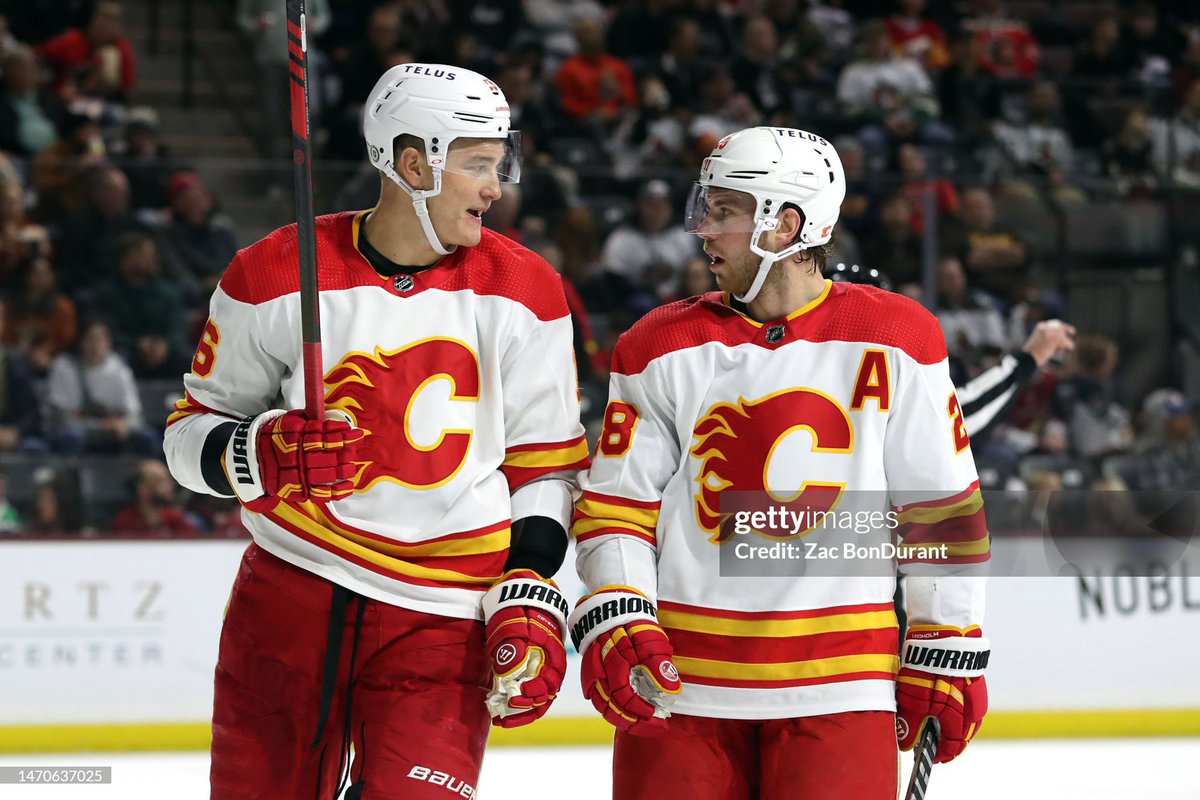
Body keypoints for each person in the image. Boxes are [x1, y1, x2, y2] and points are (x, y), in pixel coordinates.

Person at [163, 63, 588, 799]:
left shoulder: (527, 291)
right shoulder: (272, 272)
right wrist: (258, 453)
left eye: (499, 164)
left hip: (445, 616)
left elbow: (545, 468)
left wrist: (530, 581)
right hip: (293, 591)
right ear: (414, 161)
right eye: (479, 164)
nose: (497, 186)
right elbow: (186, 437)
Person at [569, 127, 991, 799]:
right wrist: (619, 607)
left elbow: (938, 505)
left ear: (785, 223)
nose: (703, 230)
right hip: (681, 686)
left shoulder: (899, 335)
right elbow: (617, 505)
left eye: (725, 212)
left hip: (842, 686)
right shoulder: (657, 343)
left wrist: (947, 633)